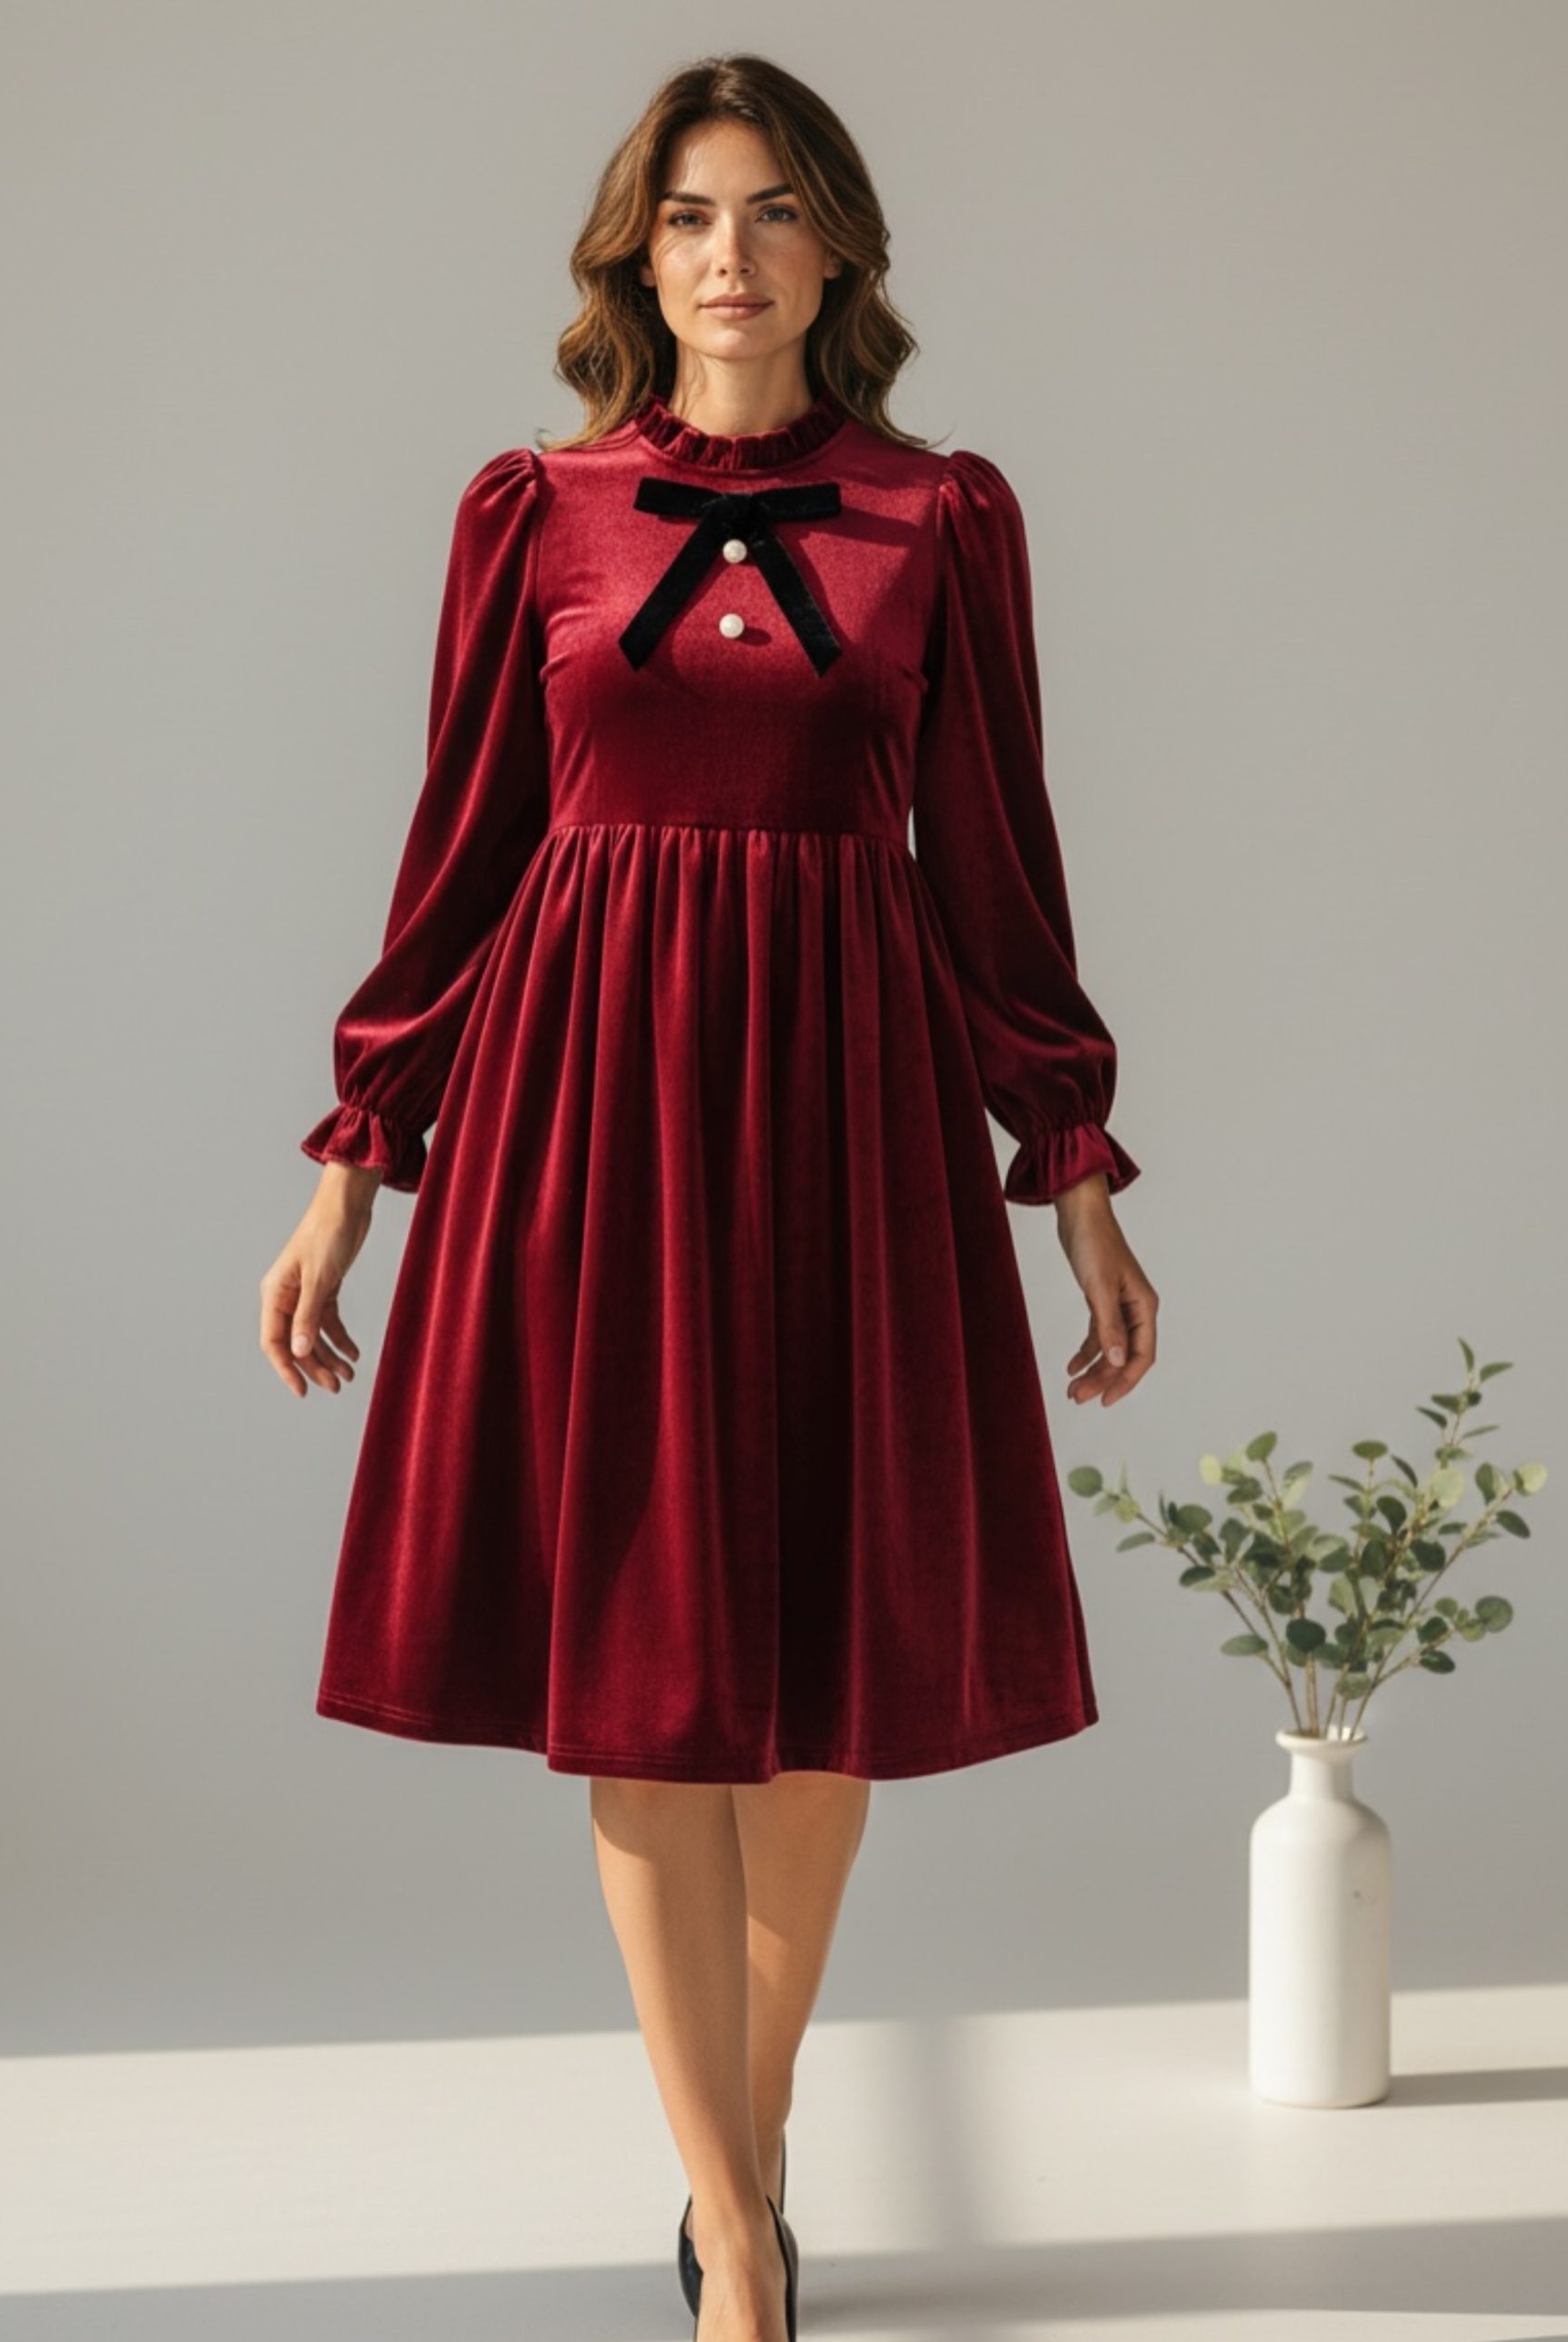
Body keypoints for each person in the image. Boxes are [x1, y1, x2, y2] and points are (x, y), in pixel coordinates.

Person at [258, 54, 1158, 2342]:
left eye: (767, 211)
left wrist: (1067, 1163)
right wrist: (358, 1159)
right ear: (631, 255)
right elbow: (460, 854)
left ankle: (724, 2160)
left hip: (851, 1112)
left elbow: (994, 862)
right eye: (684, 216)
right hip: (590, 1114)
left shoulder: (937, 515)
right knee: (643, 1684)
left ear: (835, 245)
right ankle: (741, 2243)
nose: (727, 254)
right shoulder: (532, 512)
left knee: (824, 1695)